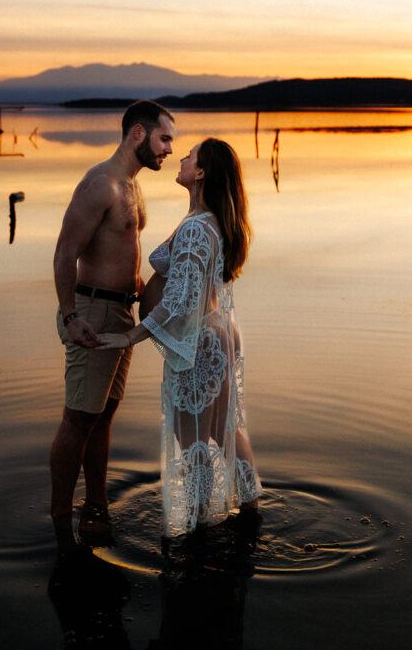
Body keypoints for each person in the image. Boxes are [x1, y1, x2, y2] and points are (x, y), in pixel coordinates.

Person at [98, 138, 261, 538]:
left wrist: (130, 337)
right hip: (217, 331)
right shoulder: (209, 221)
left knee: (190, 441)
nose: (182, 158)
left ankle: (198, 523)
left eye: (190, 156)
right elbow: (184, 283)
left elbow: (178, 299)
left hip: (199, 343)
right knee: (224, 430)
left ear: (201, 173)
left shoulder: (195, 228)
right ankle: (252, 508)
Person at [49, 100, 175, 550]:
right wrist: (70, 316)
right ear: (138, 134)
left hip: (121, 313)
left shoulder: (132, 186)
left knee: (103, 416)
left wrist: (143, 287)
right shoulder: (100, 184)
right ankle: (61, 518)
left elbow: (121, 250)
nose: (168, 150)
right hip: (92, 313)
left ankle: (97, 504)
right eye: (164, 139)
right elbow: (66, 252)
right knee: (78, 418)